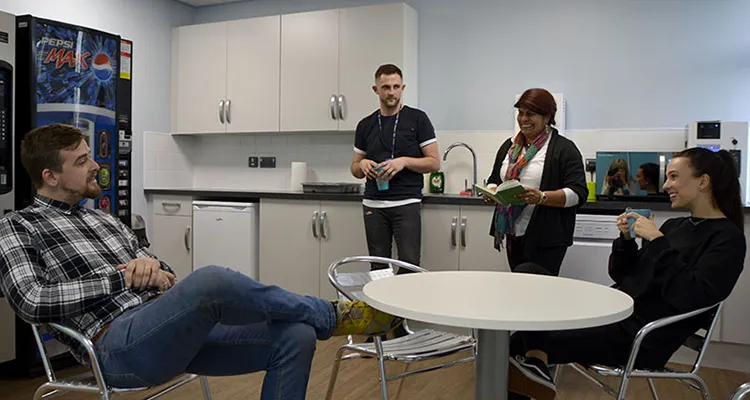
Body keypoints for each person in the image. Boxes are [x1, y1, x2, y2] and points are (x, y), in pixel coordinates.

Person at [0, 124, 404, 400]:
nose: (95, 165)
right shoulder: (17, 227)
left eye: (91, 156)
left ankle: (321, 318)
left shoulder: (103, 218)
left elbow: (164, 273)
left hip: (166, 329)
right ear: (50, 176)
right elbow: (31, 301)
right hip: (114, 348)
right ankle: (333, 315)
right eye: (82, 161)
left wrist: (155, 273)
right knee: (210, 279)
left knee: (295, 335)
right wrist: (120, 279)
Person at [506, 147, 746, 400]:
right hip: (613, 313)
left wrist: (656, 240)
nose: (665, 185)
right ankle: (537, 366)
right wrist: (626, 240)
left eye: (674, 177)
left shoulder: (727, 239)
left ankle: (535, 364)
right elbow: (623, 275)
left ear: (703, 182)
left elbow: (690, 294)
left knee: (519, 342)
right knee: (528, 273)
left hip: (641, 337)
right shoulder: (676, 226)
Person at [485, 88, 588, 275]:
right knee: (519, 287)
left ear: (547, 117)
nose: (523, 119)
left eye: (530, 114)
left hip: (548, 237)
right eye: (520, 113)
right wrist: (492, 192)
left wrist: (542, 197)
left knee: (539, 293)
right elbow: (494, 179)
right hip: (513, 233)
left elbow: (579, 193)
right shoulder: (510, 146)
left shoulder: (564, 149)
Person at [350, 63, 440, 273]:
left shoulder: (418, 119)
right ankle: (379, 307)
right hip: (374, 203)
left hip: (406, 202)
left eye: (396, 86)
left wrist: (404, 162)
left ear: (403, 88)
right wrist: (362, 164)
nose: (391, 92)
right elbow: (354, 168)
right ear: (376, 89)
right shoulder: (366, 125)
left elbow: (434, 163)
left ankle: (403, 305)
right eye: (386, 87)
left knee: (409, 265)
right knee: (378, 267)